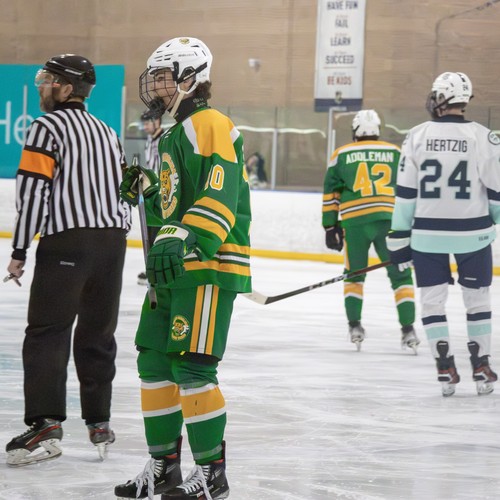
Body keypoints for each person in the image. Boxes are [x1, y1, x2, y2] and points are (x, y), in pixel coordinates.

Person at [115, 37, 251, 499]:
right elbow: (176, 205)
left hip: (207, 264)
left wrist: (185, 235)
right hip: (175, 267)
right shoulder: (177, 132)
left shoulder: (210, 123)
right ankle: (164, 467)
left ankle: (212, 474)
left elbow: (220, 194)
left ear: (190, 78)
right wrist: (151, 191)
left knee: (192, 367)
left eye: (162, 77)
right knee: (154, 362)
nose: (154, 86)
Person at [4, 54, 131, 466]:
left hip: (67, 243)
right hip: (112, 244)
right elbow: (126, 192)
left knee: (47, 333)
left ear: (66, 87)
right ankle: (99, 422)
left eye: (48, 80)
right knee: (98, 334)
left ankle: (45, 424)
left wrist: (19, 250)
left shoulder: (45, 127)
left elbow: (33, 193)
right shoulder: (107, 132)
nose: (42, 86)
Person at [387, 71, 500, 397]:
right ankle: (481, 364)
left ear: (442, 98)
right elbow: (497, 192)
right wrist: (492, 221)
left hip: (427, 237)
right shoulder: (484, 137)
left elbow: (405, 194)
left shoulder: (416, 136)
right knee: (477, 299)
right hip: (473, 235)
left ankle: (444, 366)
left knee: (432, 301)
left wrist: (399, 238)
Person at [322, 109, 418, 352]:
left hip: (355, 223)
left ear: (355, 131)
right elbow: (408, 189)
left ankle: (355, 326)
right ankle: (408, 329)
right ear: (378, 130)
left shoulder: (341, 154)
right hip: (390, 221)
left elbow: (331, 192)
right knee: (401, 276)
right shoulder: (395, 152)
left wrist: (330, 225)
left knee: (354, 276)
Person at [137, 109, 166, 286]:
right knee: (150, 232)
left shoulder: (165, 139)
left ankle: (156, 270)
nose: (145, 126)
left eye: (148, 122)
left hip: (162, 193)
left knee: (157, 232)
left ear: (157, 121)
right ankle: (152, 268)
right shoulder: (150, 140)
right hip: (152, 192)